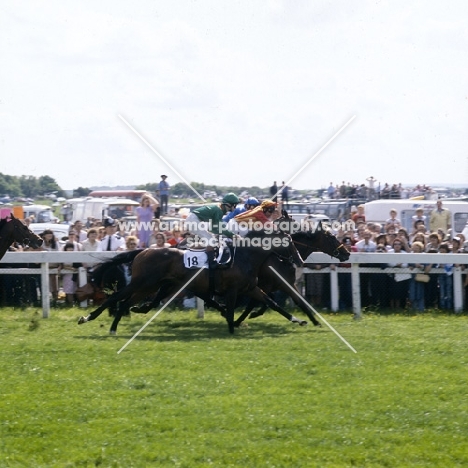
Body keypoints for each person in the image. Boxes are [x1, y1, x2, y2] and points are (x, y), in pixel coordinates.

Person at [184, 192, 240, 266]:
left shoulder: (220, 209)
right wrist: (233, 235)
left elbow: (213, 228)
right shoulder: (219, 210)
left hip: (193, 219)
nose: (235, 207)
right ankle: (211, 263)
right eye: (235, 204)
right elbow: (220, 228)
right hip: (193, 220)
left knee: (212, 239)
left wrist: (225, 234)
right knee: (211, 241)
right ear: (229, 204)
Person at [40, 229, 60, 306]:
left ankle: (55, 300)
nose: (50, 235)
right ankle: (45, 301)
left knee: (54, 284)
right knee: (45, 284)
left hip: (54, 266)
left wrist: (59, 265)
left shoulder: (55, 243)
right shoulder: (41, 243)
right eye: (48, 234)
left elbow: (58, 254)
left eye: (51, 234)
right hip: (44, 266)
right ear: (44, 236)